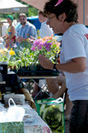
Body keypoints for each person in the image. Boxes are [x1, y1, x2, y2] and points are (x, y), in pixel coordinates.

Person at [38, 0, 88, 132]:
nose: (47, 23)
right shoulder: (81, 29)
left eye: (50, 18)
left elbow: (80, 66)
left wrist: (53, 66)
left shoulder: (71, 34)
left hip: (83, 99)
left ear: (62, 17)